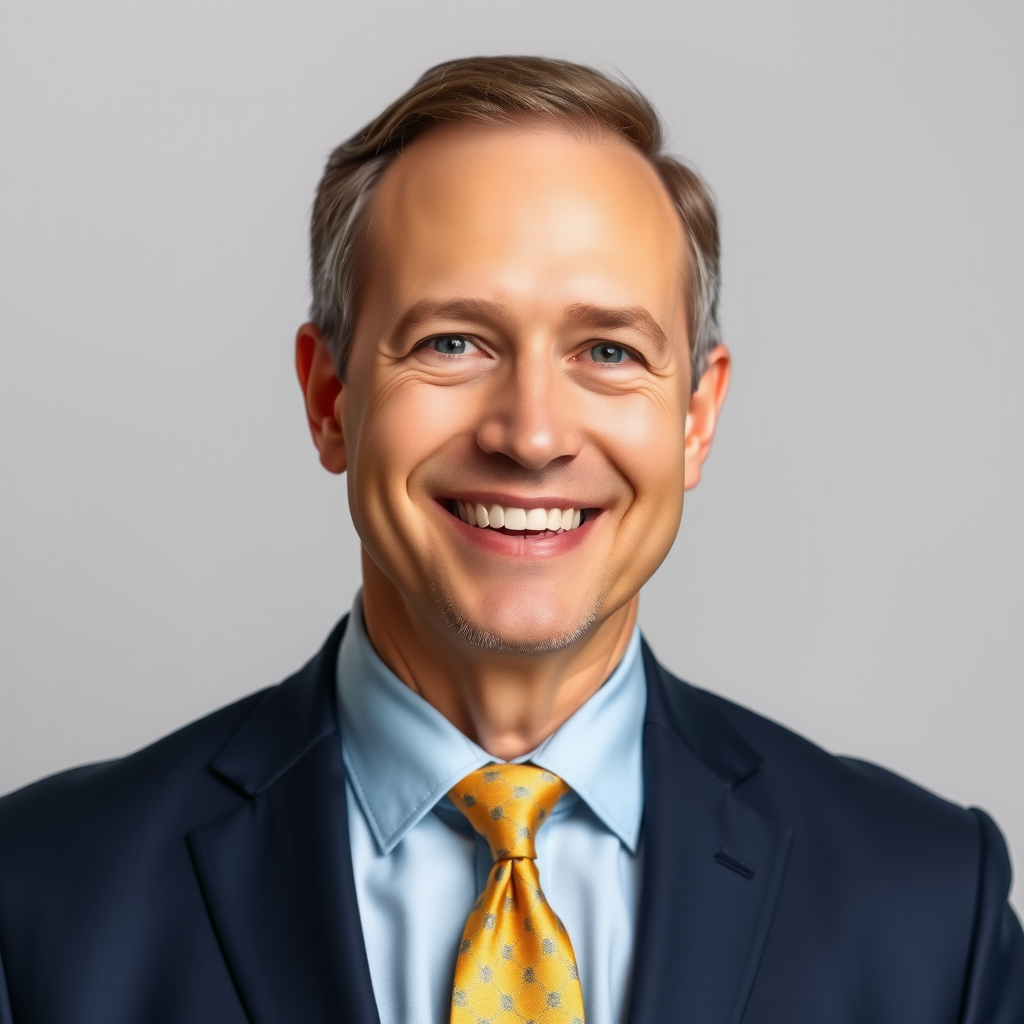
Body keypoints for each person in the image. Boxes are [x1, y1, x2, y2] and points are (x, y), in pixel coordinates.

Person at [0, 55, 1020, 1024]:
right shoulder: (38, 895)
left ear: (695, 417)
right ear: (329, 399)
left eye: (608, 350)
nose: (530, 435)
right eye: (453, 341)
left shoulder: (932, 908)